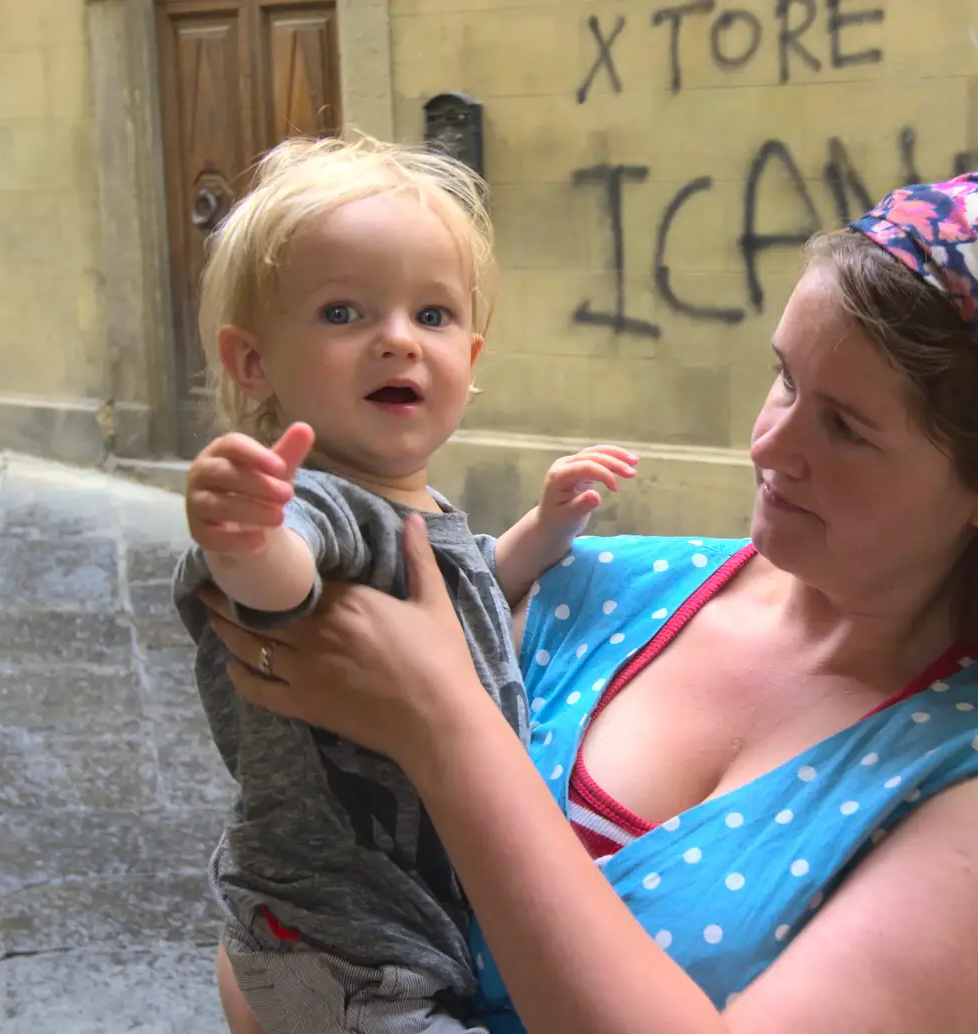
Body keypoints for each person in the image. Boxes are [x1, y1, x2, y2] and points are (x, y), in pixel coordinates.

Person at [202, 171, 978, 1034]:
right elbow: (308, 877)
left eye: (845, 427)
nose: (770, 445)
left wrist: (444, 728)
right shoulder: (598, 584)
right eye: (784, 377)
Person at [171, 135, 642, 1034]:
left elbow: (456, 603)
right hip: (340, 944)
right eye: (343, 312)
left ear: (471, 352)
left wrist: (540, 534)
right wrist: (243, 532)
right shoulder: (317, 499)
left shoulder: (415, 503)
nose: (397, 339)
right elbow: (283, 586)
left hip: (405, 922)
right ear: (252, 362)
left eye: (430, 316)